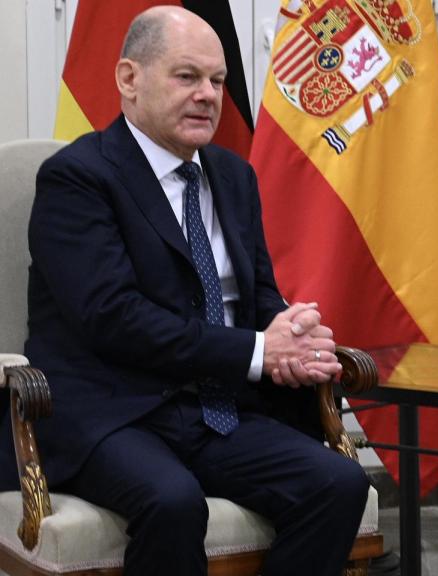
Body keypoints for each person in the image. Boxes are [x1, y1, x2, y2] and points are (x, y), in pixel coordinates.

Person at [0, 6, 370, 576]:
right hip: (113, 411)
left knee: (339, 482)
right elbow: (113, 317)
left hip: (216, 407)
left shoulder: (232, 175)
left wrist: (291, 334)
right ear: (129, 79)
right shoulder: (79, 178)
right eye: (187, 77)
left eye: (217, 81)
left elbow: (258, 296)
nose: (208, 95)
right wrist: (257, 352)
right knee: (172, 502)